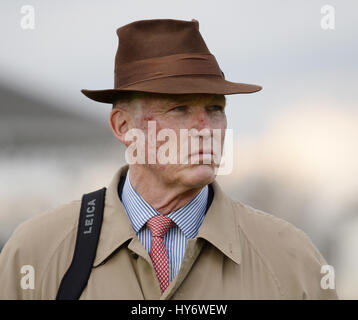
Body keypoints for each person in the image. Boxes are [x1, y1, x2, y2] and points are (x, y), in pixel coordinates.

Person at [0, 18, 338, 300]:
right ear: (123, 126)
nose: (205, 128)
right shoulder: (35, 254)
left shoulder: (291, 259)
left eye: (215, 108)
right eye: (179, 108)